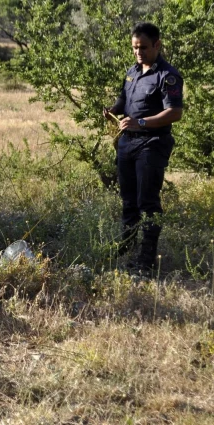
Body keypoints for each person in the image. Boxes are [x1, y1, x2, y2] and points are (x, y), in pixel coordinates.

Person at [103, 22, 183, 273]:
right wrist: (114, 110)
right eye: (135, 48)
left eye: (144, 48)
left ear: (157, 45)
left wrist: (141, 122)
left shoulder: (168, 76)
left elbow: (175, 112)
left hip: (152, 144)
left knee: (147, 202)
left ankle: (146, 259)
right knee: (128, 200)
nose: (139, 52)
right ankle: (127, 245)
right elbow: (124, 98)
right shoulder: (132, 71)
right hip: (127, 144)